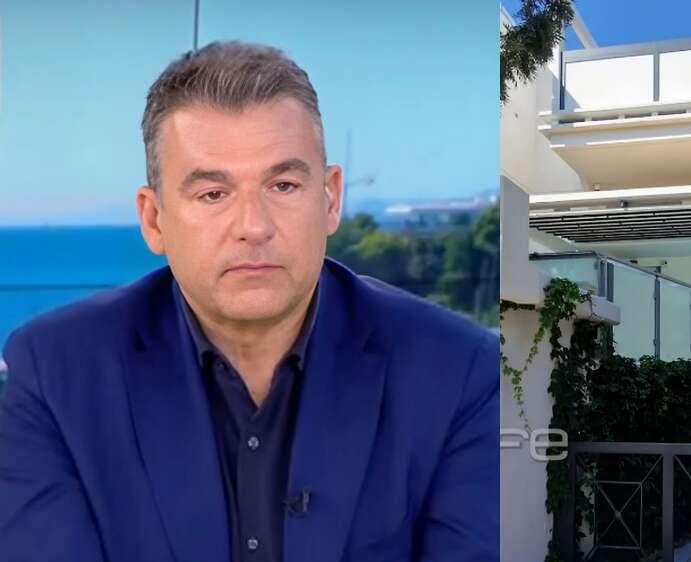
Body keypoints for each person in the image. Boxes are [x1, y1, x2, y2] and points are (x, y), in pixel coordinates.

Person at [0, 41, 499, 562]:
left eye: (282, 185)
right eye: (213, 194)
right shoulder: (57, 375)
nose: (254, 226)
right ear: (153, 219)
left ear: (330, 198)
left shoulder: (457, 372)